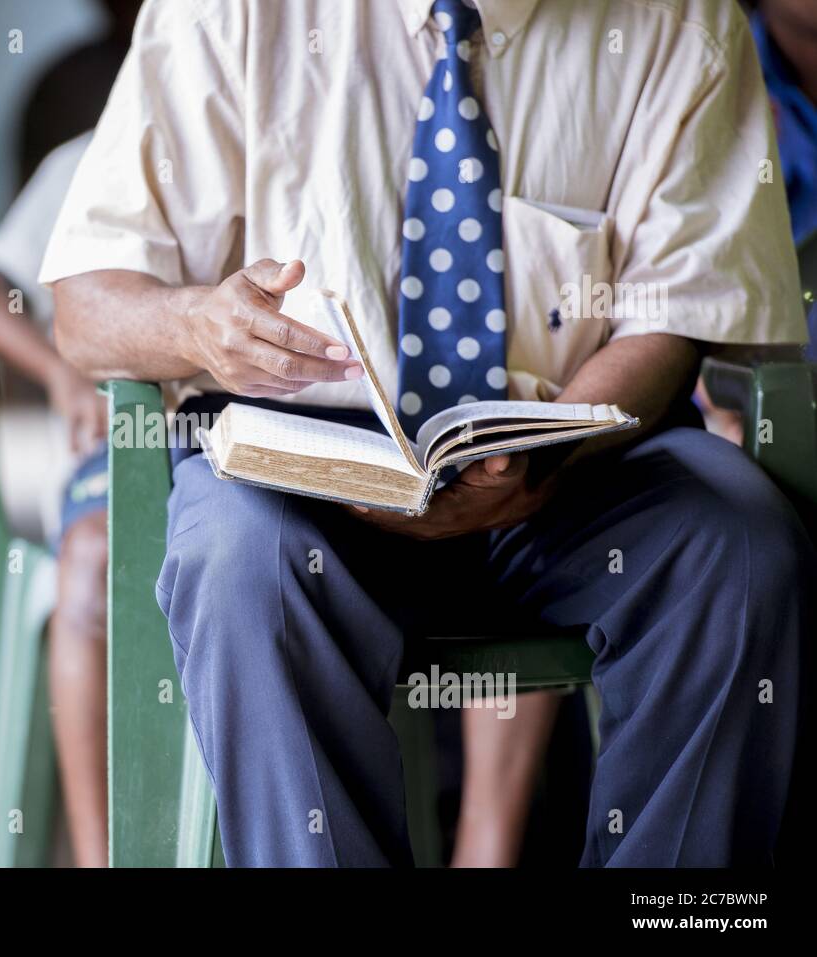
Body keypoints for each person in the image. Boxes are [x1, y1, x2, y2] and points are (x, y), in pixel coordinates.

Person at [42, 0, 813, 866]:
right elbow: (85, 309)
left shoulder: (678, 17)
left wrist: (549, 450)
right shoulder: (226, 12)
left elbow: (670, 320)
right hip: (310, 472)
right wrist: (196, 326)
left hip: (576, 462)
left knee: (739, 548)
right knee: (242, 561)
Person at [454, 0, 817, 868]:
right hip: (666, 415)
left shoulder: (685, 39)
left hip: (694, 422)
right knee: (661, 507)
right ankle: (487, 834)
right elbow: (693, 310)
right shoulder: (708, 54)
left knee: (724, 535)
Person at [0, 133, 111, 868]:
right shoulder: (88, 162)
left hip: (252, 448)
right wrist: (57, 371)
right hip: (114, 456)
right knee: (94, 555)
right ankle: (100, 856)